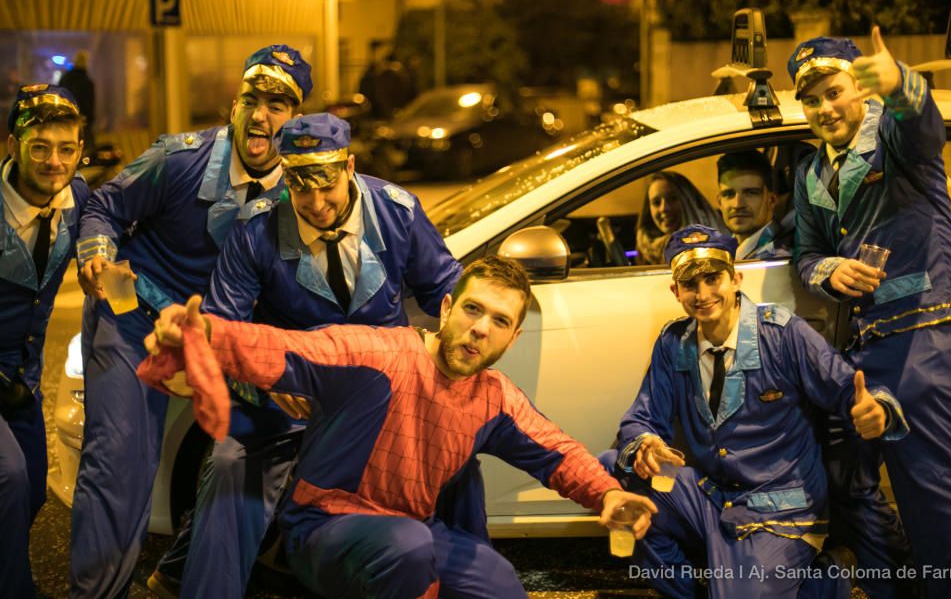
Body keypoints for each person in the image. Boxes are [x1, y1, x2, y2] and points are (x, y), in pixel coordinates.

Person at [140, 256, 658, 599]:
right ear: (448, 308)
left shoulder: (493, 397)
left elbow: (554, 449)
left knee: (500, 585)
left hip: (415, 529)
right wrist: (207, 332)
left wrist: (606, 495)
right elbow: (288, 349)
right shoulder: (379, 355)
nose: (481, 328)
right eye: (473, 309)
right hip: (326, 527)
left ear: (513, 336)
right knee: (407, 549)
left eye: (499, 321)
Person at [147, 112, 464, 599]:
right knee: (233, 464)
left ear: (350, 166)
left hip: (380, 398)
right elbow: (221, 329)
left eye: (326, 186)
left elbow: (448, 289)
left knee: (460, 460)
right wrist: (267, 380)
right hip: (287, 393)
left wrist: (448, 342)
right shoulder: (256, 229)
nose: (315, 204)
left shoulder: (398, 211)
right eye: (300, 187)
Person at [69, 45, 313, 598]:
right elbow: (105, 206)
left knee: (264, 444)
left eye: (278, 105)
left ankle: (176, 573)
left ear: (294, 120)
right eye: (252, 99)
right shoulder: (179, 159)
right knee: (121, 464)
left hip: (216, 334)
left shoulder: (300, 193)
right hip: (135, 318)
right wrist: (97, 252)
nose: (261, 115)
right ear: (234, 104)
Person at [790, 29, 951, 597]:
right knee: (877, 483)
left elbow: (923, 126)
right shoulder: (810, 174)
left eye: (835, 91)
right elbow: (806, 255)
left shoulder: (891, 136)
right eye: (812, 100)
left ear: (859, 88)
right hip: (870, 341)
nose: (825, 108)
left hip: (931, 322)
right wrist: (828, 271)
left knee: (931, 480)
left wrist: (903, 83)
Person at [604, 224, 907, 599]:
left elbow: (849, 390)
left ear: (735, 279)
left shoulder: (783, 334)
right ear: (676, 291)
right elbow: (642, 418)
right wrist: (646, 443)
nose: (702, 294)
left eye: (713, 278)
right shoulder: (673, 344)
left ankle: (831, 574)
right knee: (615, 468)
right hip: (711, 494)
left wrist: (877, 411)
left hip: (778, 508)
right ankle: (692, 592)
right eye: (689, 284)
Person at [0, 84, 88, 597]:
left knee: (32, 491)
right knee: (8, 480)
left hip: (23, 379)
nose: (54, 161)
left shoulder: (78, 203)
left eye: (66, 148)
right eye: (39, 147)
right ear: (13, 146)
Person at [635, 171, 725, 265]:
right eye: (656, 202)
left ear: (689, 202)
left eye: (673, 198)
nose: (664, 208)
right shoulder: (645, 249)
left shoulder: (711, 246)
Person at [716, 150, 791, 260]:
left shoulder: (778, 256)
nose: (737, 204)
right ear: (719, 202)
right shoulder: (726, 250)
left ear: (771, 200)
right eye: (728, 194)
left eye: (750, 193)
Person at [58, 50, 96, 155]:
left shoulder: (66, 78)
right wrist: (90, 119)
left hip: (66, 119)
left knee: (66, 148)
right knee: (85, 150)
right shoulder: (87, 81)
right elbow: (90, 103)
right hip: (83, 121)